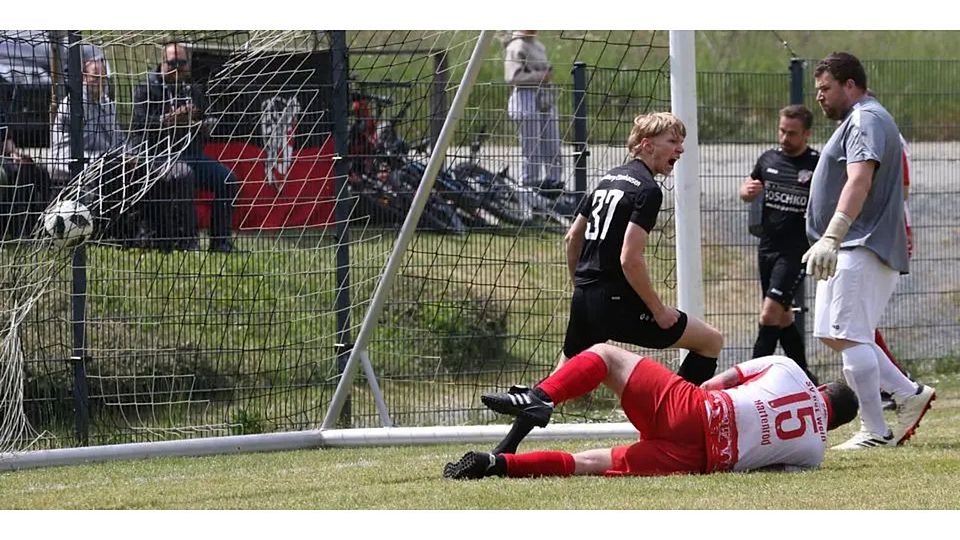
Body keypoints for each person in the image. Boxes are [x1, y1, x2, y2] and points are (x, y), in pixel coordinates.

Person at [485, 112, 723, 457]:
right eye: (673, 141)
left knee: (557, 380)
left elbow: (572, 238)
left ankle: (506, 447)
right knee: (710, 341)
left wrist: (580, 287)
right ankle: (671, 425)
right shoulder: (648, 190)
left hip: (586, 296)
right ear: (646, 144)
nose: (680, 149)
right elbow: (631, 258)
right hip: (617, 300)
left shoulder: (606, 179)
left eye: (681, 142)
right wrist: (658, 310)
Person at [443, 342, 859, 480]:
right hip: (701, 460)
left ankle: (543, 396)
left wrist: (671, 404)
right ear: (833, 426)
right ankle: (497, 464)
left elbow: (718, 383)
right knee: (589, 463)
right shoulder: (814, 454)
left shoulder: (787, 366)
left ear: (820, 386)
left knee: (605, 354)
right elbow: (764, 471)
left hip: (696, 409)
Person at [804, 52, 935, 450]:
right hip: (850, 243)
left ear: (850, 85)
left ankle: (875, 430)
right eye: (817, 90)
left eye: (826, 89)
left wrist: (834, 234)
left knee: (851, 333)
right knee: (832, 332)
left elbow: (860, 179)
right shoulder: (858, 119)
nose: (820, 98)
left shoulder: (865, 118)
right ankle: (908, 392)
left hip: (860, 243)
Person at [130, 41, 236, 252]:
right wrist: (169, 119)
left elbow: (208, 120)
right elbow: (138, 124)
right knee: (184, 174)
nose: (178, 68)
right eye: (173, 62)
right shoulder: (146, 88)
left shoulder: (192, 89)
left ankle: (221, 242)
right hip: (158, 155)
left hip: (191, 153)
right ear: (162, 63)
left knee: (227, 179)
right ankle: (188, 241)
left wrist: (199, 122)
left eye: (182, 63)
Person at [739, 104, 819, 383]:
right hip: (767, 247)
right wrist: (746, 191)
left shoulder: (816, 164)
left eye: (792, 133)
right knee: (783, 317)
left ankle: (750, 379)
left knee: (769, 312)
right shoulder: (768, 159)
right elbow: (748, 189)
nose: (785, 138)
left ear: (807, 134)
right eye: (782, 131)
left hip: (795, 250)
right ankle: (807, 380)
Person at [503, 31, 563, 194]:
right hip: (526, 100)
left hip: (544, 99)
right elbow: (512, 76)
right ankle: (530, 188)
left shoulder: (539, 46)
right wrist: (540, 76)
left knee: (553, 145)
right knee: (532, 150)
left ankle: (554, 186)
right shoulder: (516, 46)